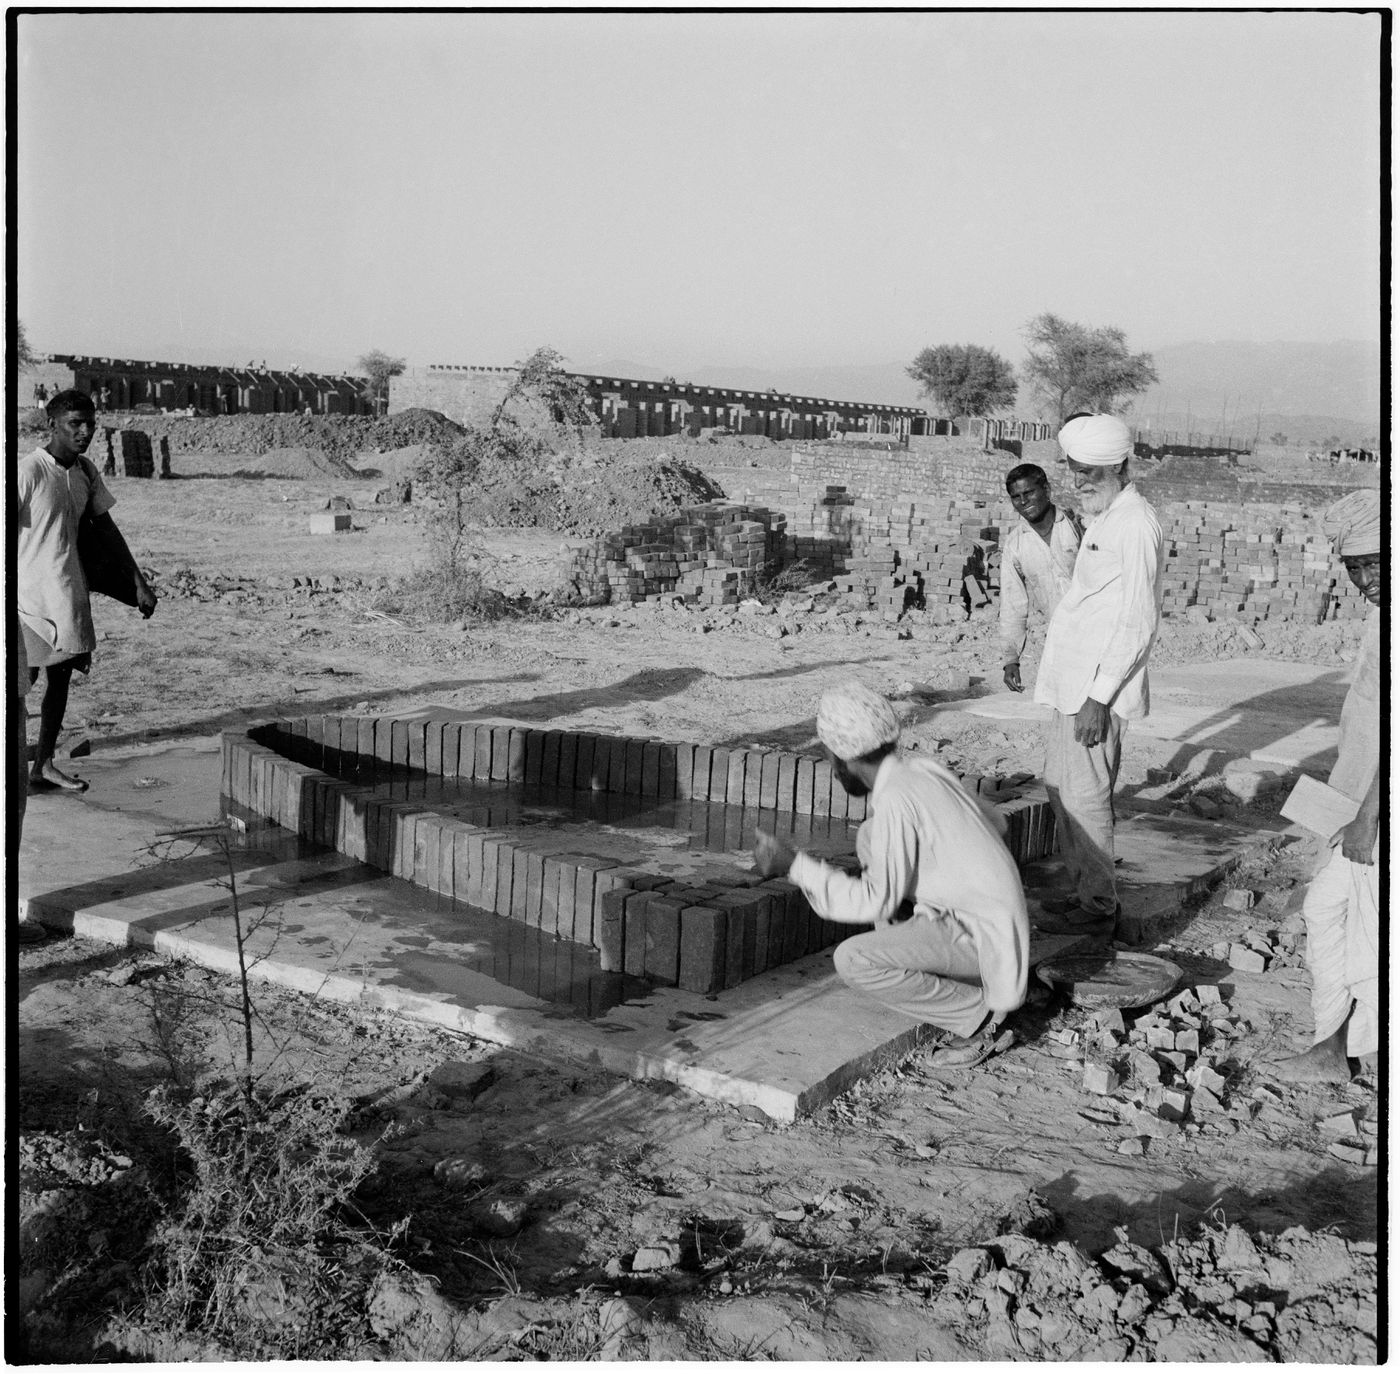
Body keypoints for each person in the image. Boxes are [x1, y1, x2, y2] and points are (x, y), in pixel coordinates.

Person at [753, 681, 1029, 1066]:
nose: (833, 770)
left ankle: (983, 1018)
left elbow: (873, 901)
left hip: (981, 942)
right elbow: (997, 823)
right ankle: (943, 958)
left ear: (843, 756)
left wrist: (794, 866)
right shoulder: (922, 770)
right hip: (1000, 926)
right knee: (869, 837)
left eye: (830, 756)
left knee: (853, 960)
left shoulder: (895, 800)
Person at [1032, 414, 1164, 938]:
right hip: (1073, 687)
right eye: (1075, 469)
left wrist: (1099, 699)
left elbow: (1138, 621)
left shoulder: (1135, 524)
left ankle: (1099, 907)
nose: (1081, 480)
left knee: (1086, 798)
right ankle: (1086, 893)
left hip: (1095, 694)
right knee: (1062, 789)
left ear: (1121, 466)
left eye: (1093, 471)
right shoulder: (1108, 517)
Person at [1273, 490, 1381, 1084]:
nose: (1367, 578)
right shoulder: (1378, 619)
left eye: (1377, 564)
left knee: (1369, 937)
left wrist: (1368, 819)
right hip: (1356, 802)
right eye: (1357, 567)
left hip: (1376, 813)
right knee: (1327, 910)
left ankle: (1345, 1050)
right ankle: (1331, 1046)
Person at [18, 389, 157, 791]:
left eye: (90, 424)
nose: (85, 432)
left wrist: (138, 583)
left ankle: (42, 765)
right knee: (17, 690)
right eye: (74, 424)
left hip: (66, 595)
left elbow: (107, 530)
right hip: (26, 600)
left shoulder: (85, 472)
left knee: (58, 683)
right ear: (52, 425)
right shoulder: (28, 472)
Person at [999, 462, 1084, 693]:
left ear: (1046, 490)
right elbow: (1012, 604)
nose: (1023, 502)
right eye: (1016, 497)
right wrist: (1011, 659)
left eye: (1029, 493)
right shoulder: (1015, 544)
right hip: (1062, 640)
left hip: (1099, 632)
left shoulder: (1079, 525)